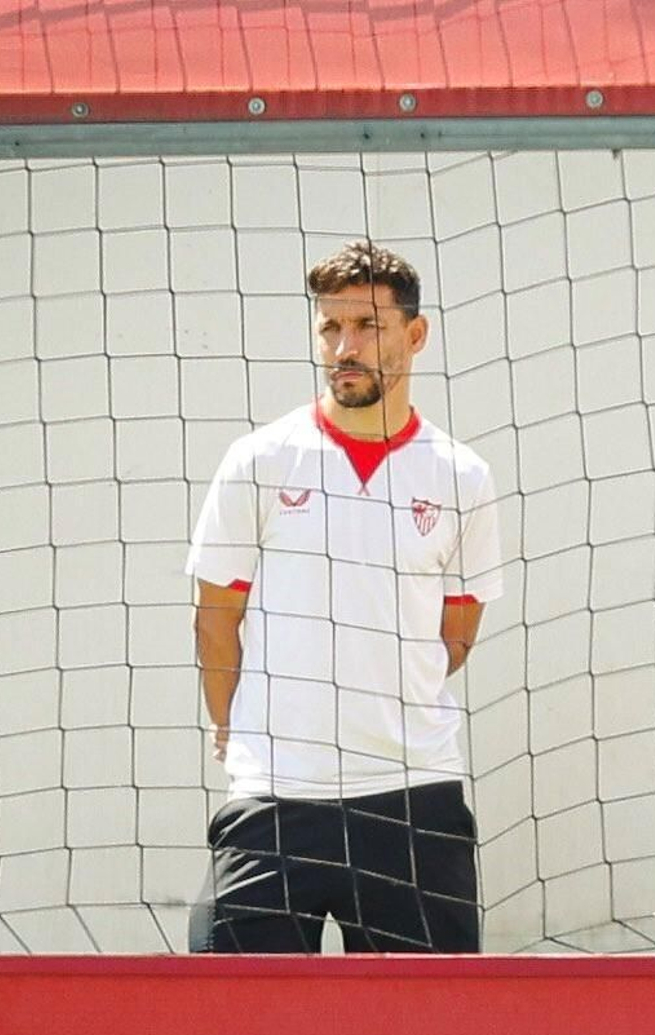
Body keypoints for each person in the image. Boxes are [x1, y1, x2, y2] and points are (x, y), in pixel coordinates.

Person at [187, 240, 503, 952]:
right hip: (275, 795)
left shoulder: (462, 476)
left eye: (367, 326)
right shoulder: (260, 460)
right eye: (330, 327)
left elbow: (455, 633)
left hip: (413, 795)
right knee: (227, 1009)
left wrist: (382, 694)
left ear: (415, 335)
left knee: (429, 1018)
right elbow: (216, 620)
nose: (345, 347)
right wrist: (236, 728)